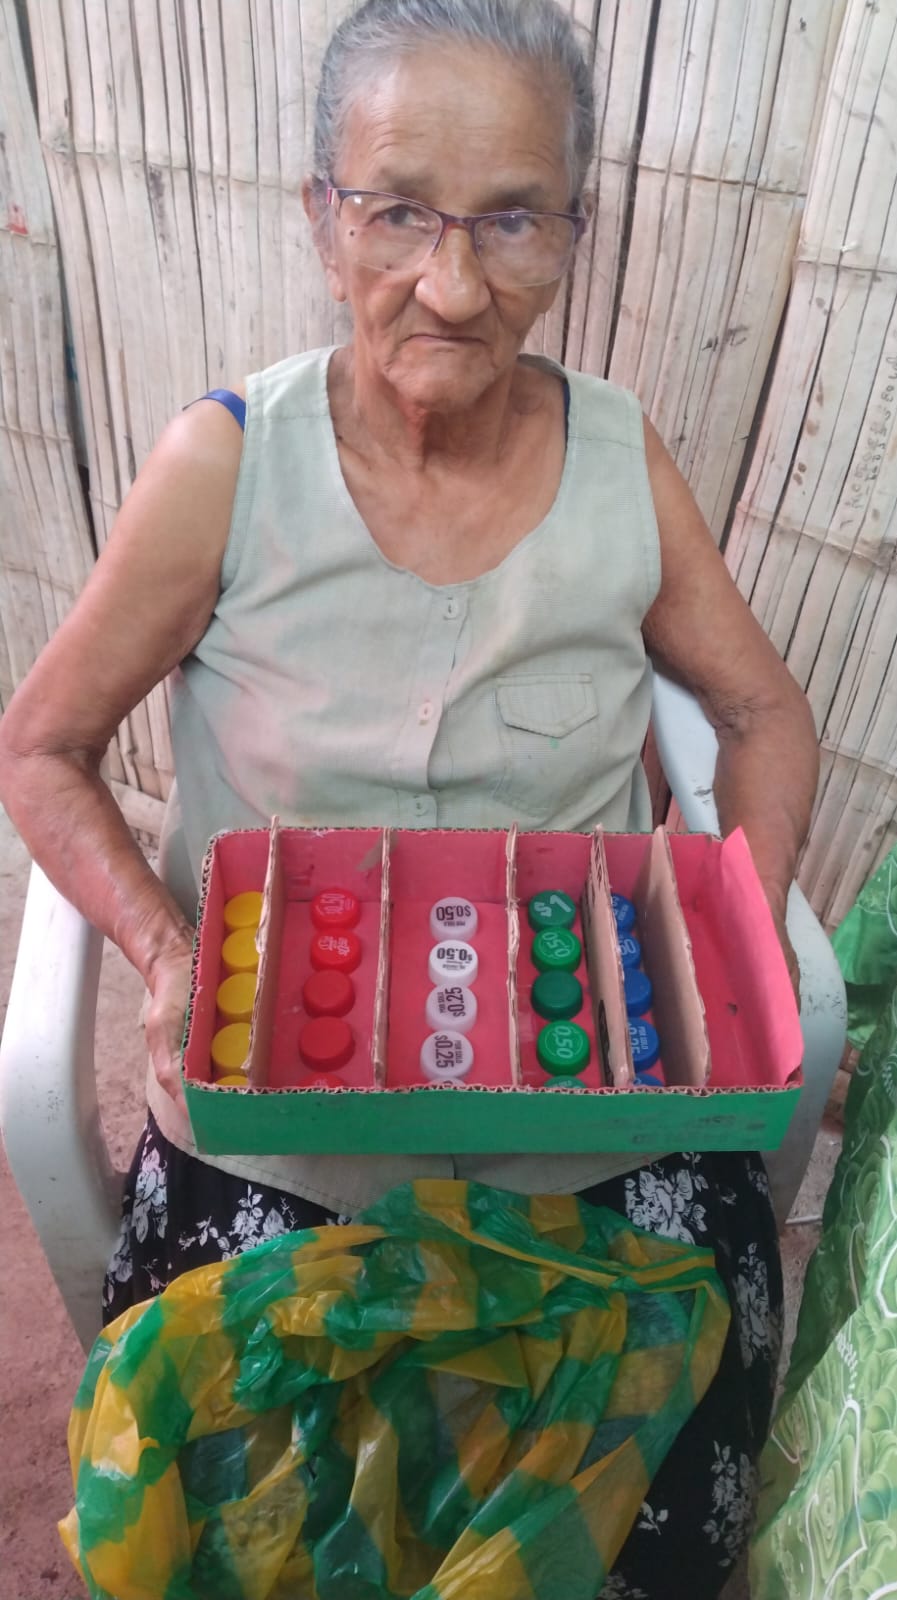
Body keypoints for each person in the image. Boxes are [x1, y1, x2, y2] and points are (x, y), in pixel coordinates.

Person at [0, 1, 819, 1593]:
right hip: (280, 1128)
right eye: (399, 214)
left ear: (575, 232)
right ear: (324, 220)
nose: (453, 285)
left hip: (593, 1131)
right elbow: (41, 748)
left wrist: (735, 921)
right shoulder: (226, 465)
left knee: (665, 1487)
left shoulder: (622, 461)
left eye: (512, 220)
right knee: (244, 1520)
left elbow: (764, 712)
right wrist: (166, 952)